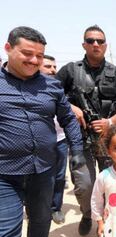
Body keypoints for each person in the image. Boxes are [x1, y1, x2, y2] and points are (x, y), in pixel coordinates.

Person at [0, 26, 84, 237]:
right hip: (5, 174)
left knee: (41, 218)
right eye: (27, 53)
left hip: (44, 169)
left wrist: (78, 151)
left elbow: (68, 118)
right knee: (5, 235)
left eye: (39, 56)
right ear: (8, 48)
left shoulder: (51, 85)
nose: (34, 61)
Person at [56, 25, 116, 236]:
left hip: (110, 140)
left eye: (100, 41)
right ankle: (88, 214)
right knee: (84, 185)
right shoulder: (70, 70)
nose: (95, 44)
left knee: (114, 183)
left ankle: (109, 222)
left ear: (105, 45)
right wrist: (70, 107)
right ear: (84, 44)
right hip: (80, 139)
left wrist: (110, 122)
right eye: (91, 41)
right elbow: (51, 93)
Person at [39, 55, 69, 224]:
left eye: (54, 67)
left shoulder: (59, 88)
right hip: (39, 142)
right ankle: (35, 206)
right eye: (48, 66)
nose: (52, 70)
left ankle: (55, 208)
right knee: (38, 176)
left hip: (60, 139)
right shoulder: (28, 88)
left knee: (59, 177)